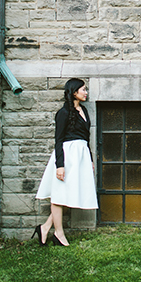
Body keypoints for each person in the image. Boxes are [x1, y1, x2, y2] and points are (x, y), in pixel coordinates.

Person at [34, 78, 98, 246]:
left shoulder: (83, 110)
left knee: (69, 193)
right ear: (74, 92)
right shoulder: (63, 113)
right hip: (67, 156)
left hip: (81, 156)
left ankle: (45, 227)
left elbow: (86, 137)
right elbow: (58, 140)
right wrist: (60, 165)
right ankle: (59, 234)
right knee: (59, 195)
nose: (86, 92)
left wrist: (89, 159)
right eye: (83, 89)